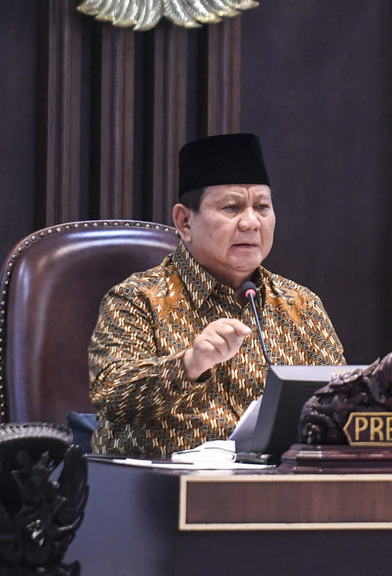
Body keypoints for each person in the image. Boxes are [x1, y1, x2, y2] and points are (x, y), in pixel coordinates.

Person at [89, 133, 345, 458]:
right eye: (232, 207)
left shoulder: (301, 306)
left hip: (277, 483)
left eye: (262, 207)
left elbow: (342, 403)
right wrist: (188, 364)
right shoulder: (136, 300)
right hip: (165, 485)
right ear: (184, 222)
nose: (251, 222)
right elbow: (112, 397)